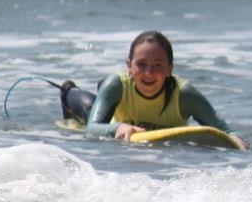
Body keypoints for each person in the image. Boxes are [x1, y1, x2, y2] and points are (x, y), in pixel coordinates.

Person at [60, 30, 231, 139]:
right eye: (141, 64)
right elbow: (93, 128)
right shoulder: (117, 84)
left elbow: (226, 132)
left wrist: (237, 142)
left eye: (158, 65)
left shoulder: (184, 95)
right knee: (86, 109)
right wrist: (118, 128)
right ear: (129, 65)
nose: (149, 73)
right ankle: (68, 91)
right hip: (110, 117)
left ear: (170, 69)